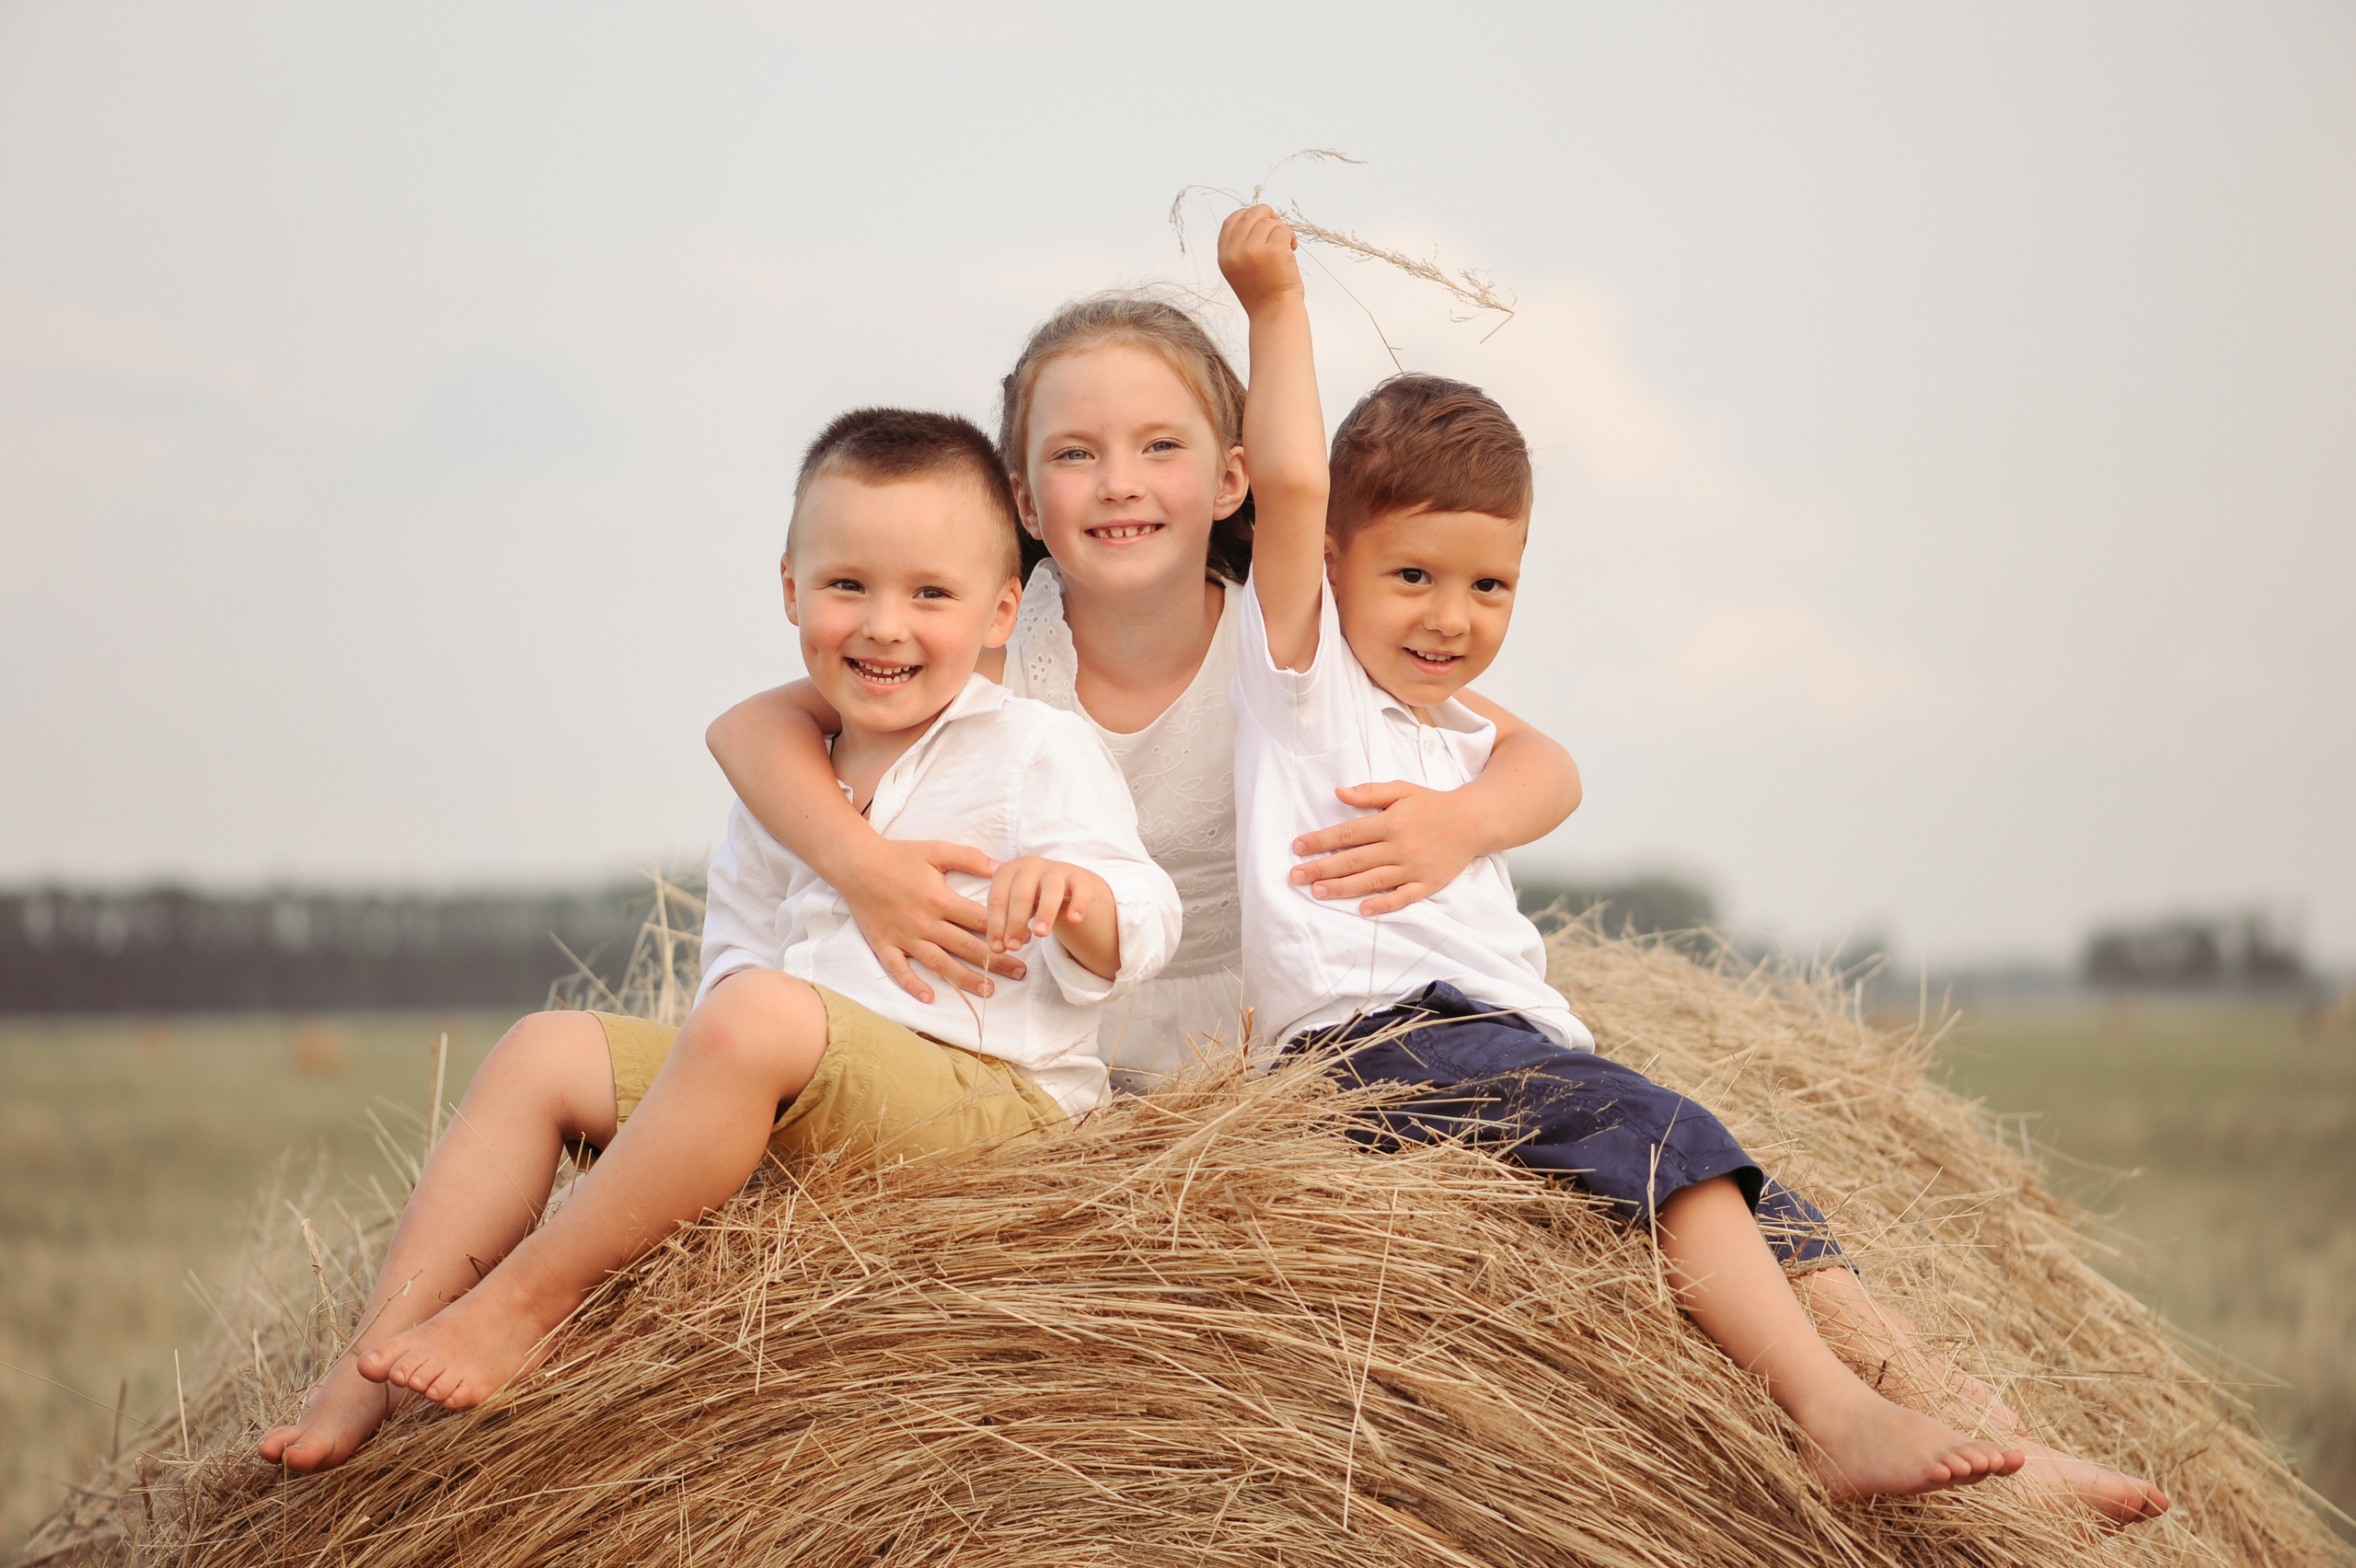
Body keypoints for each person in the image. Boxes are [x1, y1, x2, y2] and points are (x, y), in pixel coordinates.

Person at [1214, 202, 2170, 1524]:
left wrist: (1465, 824)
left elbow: (1555, 770)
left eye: (1490, 588)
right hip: (1376, 1047)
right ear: (1331, 568)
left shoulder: (1440, 723)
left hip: (1485, 1042)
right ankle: (1832, 1420)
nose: (1452, 618)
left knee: (1784, 1225)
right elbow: (1298, 480)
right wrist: (1274, 306)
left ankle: (1994, 1444)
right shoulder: (1303, 676)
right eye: (1415, 577)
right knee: (1666, 1137)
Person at [257, 409, 1181, 1473]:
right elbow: (739, 965)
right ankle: (369, 1360)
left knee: (754, 1018)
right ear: (790, 588)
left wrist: (1074, 896)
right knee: (544, 1048)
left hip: (993, 1113)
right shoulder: (782, 792)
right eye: (848, 587)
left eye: (930, 594)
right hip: (809, 1099)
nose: (884, 625)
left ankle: (526, 1299)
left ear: (998, 613)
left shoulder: (1034, 750)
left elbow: (1148, 915)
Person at [706, 294, 1583, 1091]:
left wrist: (1462, 822)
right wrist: (865, 872)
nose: (1118, 481)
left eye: (1161, 446)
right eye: (1075, 453)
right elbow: (751, 729)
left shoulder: (1288, 646)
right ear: (1025, 501)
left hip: (1254, 1040)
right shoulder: (996, 649)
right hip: (1042, 1034)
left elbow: (1540, 762)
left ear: (1231, 479)